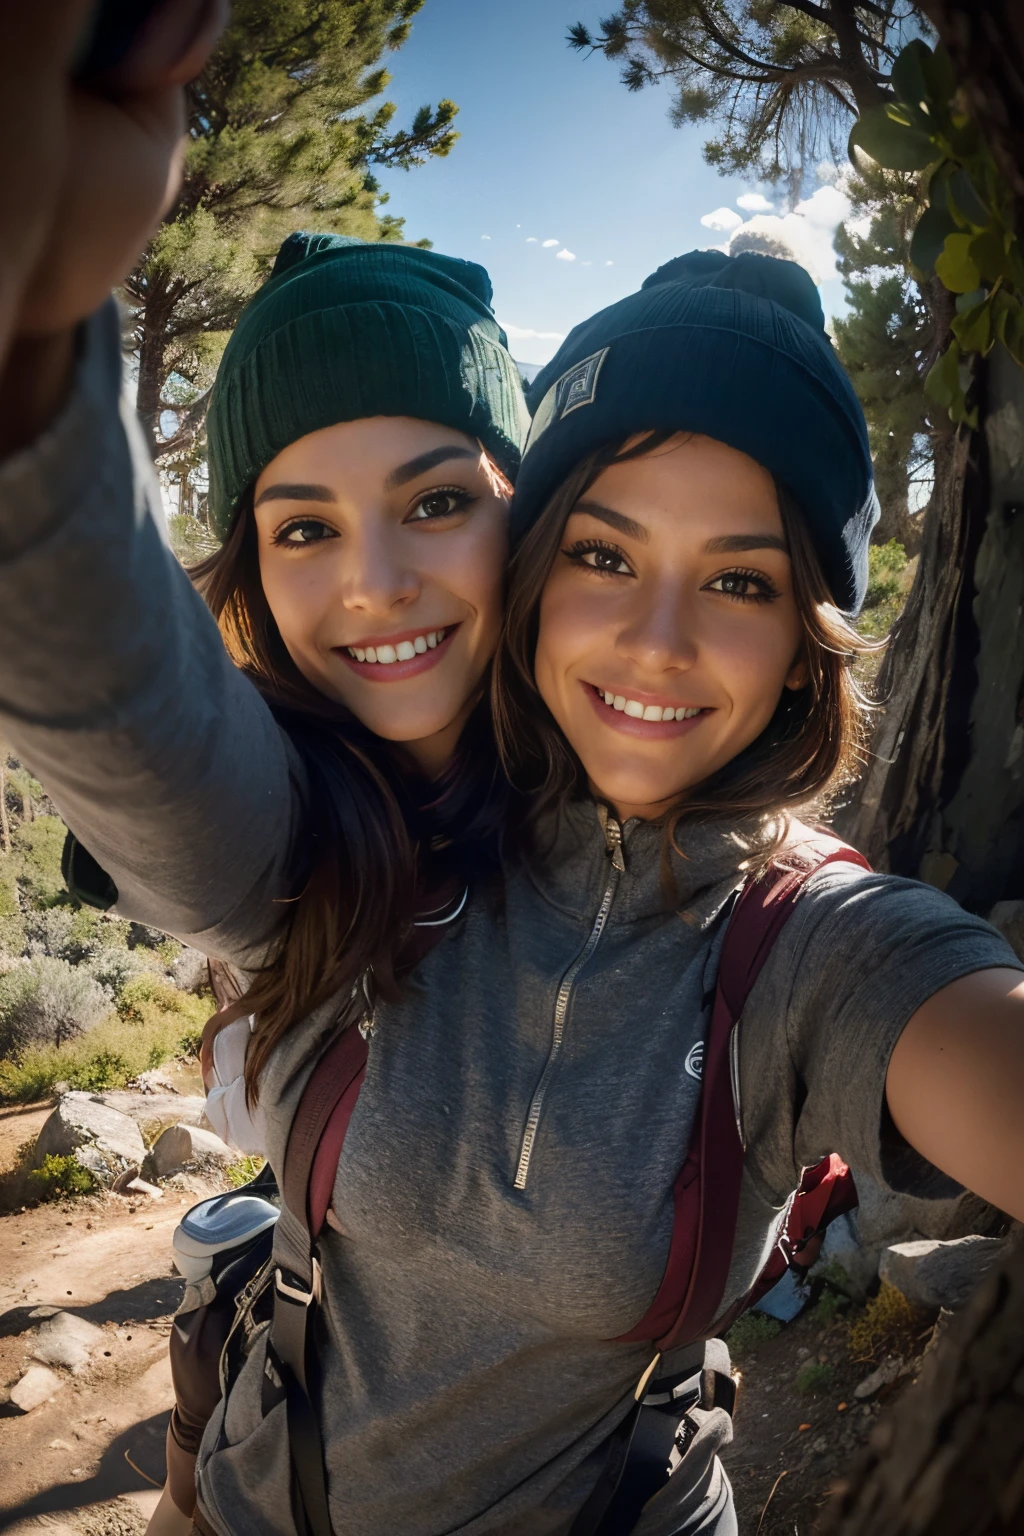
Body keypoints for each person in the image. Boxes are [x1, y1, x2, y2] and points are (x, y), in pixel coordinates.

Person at [2, 11, 1024, 1536]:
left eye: (740, 582)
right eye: (608, 552)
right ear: (555, 559)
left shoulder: (816, 947)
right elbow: (132, 725)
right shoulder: (325, 828)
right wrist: (33, 368)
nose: (661, 641)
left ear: (810, 641)